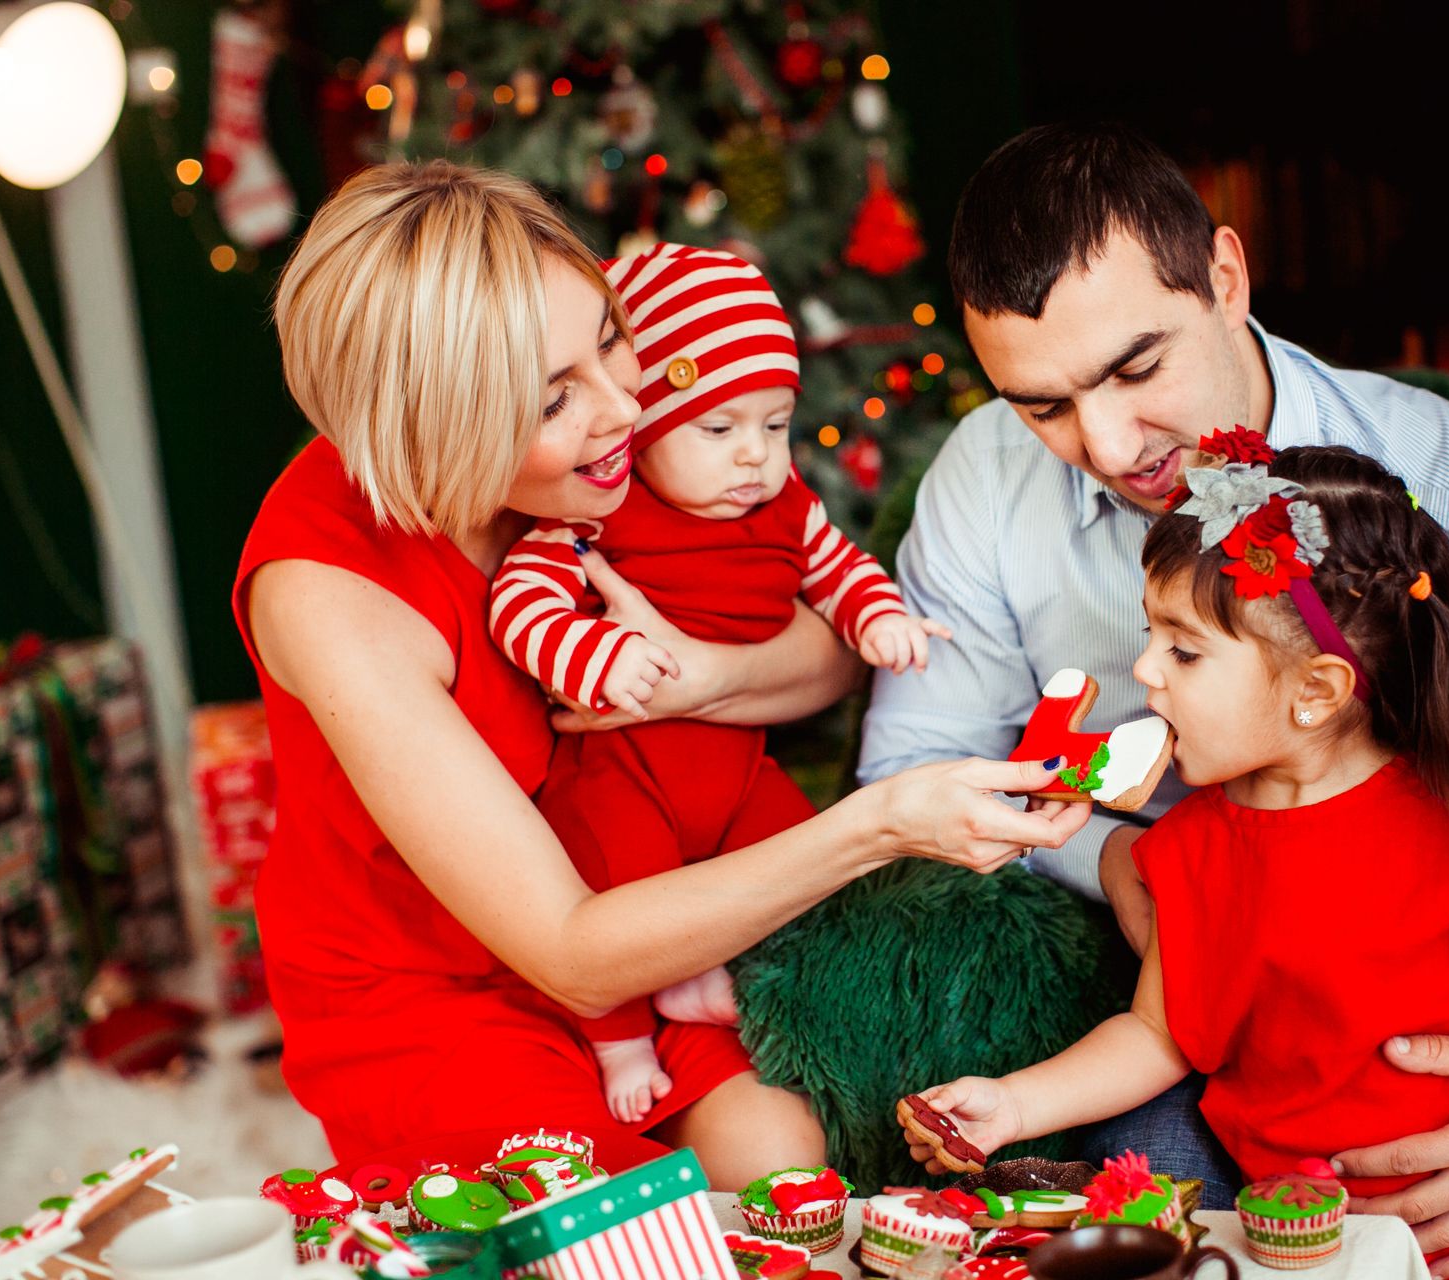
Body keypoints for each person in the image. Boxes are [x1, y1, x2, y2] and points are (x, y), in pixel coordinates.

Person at [860, 123, 1449, 1277]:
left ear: (1225, 277)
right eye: (1043, 405)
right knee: (1144, 1185)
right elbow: (913, 783)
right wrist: (1116, 860)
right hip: (1226, 956)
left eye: (1136, 368)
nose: (1110, 444)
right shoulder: (984, 479)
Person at [239, 161, 1088, 1184]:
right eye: (557, 397)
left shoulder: (611, 442)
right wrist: (880, 826)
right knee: (615, 1223)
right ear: (440, 429)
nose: (624, 405)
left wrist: (697, 677)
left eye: (609, 338)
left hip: (649, 910)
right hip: (451, 981)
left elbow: (820, 654)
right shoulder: (331, 596)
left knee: (784, 1161)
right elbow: (569, 948)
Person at [908, 438, 1449, 1277]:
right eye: (1152, 635)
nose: (1144, 671)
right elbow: (1156, 1034)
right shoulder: (1188, 852)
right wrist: (1012, 1103)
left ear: (1315, 692)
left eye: (1183, 650)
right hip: (1315, 1244)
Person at [489, 241, 949, 1125]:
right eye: (720, 429)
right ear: (649, 425)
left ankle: (746, 979)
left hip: (735, 768)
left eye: (775, 426)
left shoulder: (786, 508)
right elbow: (522, 602)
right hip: (632, 771)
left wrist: (879, 617)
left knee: (801, 858)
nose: (754, 458)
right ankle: (620, 1041)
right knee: (618, 874)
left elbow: (838, 569)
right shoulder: (604, 514)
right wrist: (596, 657)